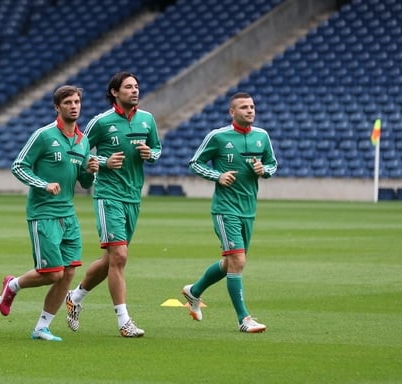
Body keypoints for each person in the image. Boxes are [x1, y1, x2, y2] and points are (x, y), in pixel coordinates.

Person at [0, 85, 99, 341]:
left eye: (77, 102)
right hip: (43, 213)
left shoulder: (83, 140)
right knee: (52, 272)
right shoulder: (44, 135)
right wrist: (43, 184)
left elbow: (85, 184)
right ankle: (12, 286)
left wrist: (90, 170)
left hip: (69, 214)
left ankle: (42, 327)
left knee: (68, 273)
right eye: (68, 102)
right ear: (57, 107)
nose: (74, 106)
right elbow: (18, 166)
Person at [65, 71, 162, 337]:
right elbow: (79, 151)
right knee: (119, 256)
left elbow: (157, 148)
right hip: (108, 195)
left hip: (133, 196)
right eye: (128, 87)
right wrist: (104, 163)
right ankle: (124, 321)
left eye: (136, 86)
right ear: (114, 92)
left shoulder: (147, 120)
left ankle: (75, 297)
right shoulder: (101, 122)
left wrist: (150, 154)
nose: (135, 90)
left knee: (111, 259)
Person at [181, 92, 277, 333]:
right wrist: (218, 175)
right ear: (232, 112)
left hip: (249, 210)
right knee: (238, 261)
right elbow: (195, 162)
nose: (250, 110)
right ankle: (244, 319)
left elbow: (273, 165)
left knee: (229, 262)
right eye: (244, 107)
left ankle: (194, 292)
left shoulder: (262, 136)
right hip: (226, 209)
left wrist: (263, 169)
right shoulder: (218, 136)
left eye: (252, 106)